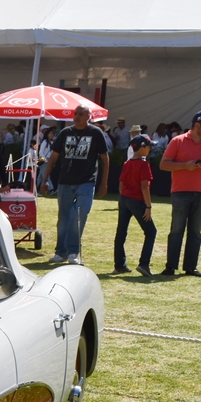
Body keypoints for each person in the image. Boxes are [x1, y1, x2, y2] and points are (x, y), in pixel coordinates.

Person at [159, 109, 201, 277]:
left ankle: (190, 267)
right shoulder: (178, 141)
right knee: (176, 230)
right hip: (180, 192)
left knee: (195, 232)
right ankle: (171, 266)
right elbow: (164, 164)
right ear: (197, 125)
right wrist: (184, 165)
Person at [43, 104, 109, 264]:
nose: (77, 116)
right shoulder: (66, 133)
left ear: (89, 117)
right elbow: (53, 158)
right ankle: (61, 252)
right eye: (75, 113)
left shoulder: (95, 133)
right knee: (64, 218)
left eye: (81, 114)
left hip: (86, 182)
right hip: (65, 182)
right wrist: (45, 180)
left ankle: (73, 252)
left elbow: (105, 159)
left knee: (79, 213)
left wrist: (103, 182)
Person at [114, 134, 157, 276]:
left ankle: (119, 265)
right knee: (151, 232)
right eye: (148, 146)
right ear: (142, 148)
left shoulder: (127, 164)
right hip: (137, 201)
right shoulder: (144, 164)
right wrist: (148, 206)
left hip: (125, 199)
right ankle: (144, 264)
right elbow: (145, 187)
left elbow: (120, 184)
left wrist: (124, 198)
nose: (150, 148)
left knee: (121, 232)